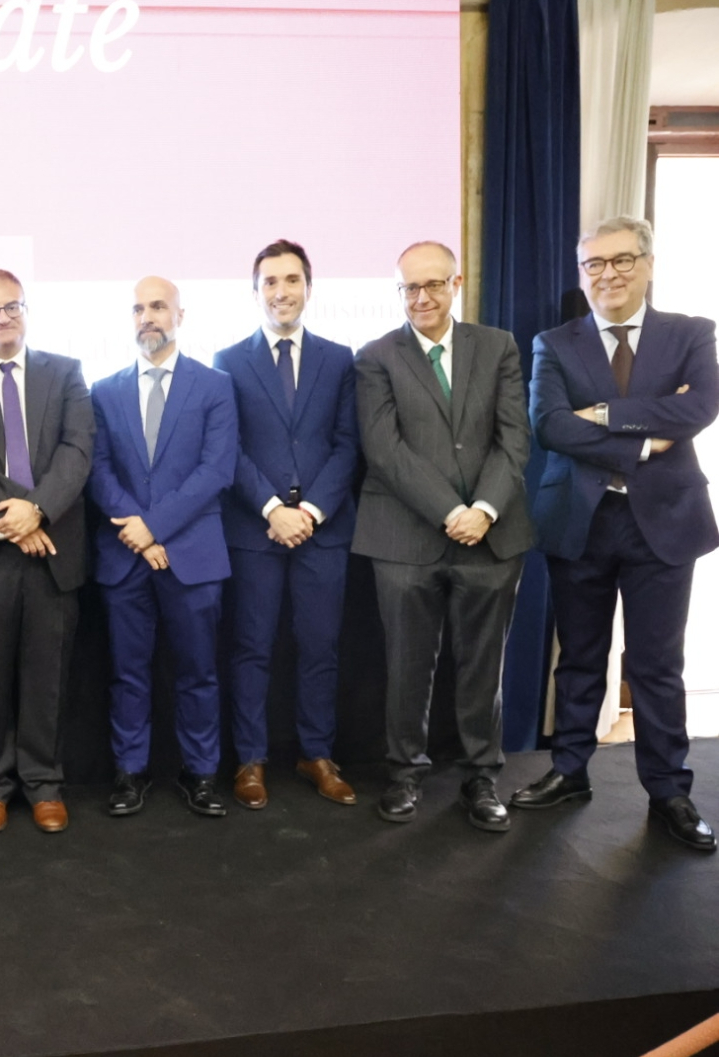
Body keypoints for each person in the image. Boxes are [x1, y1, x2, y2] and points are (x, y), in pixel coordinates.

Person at [515, 216, 719, 852]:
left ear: (649, 263)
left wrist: (605, 414)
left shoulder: (690, 334)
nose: (608, 274)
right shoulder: (556, 341)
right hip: (581, 519)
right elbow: (549, 426)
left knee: (658, 665)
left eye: (622, 260)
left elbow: (701, 405)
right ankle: (570, 771)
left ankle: (669, 792)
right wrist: (645, 443)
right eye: (594, 264)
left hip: (665, 522)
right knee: (578, 658)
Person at [352, 242, 533, 832]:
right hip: (405, 537)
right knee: (407, 664)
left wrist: (482, 508)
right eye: (410, 288)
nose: (421, 297)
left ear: (457, 283)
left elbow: (514, 440)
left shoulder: (498, 345)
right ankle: (405, 772)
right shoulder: (375, 357)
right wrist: (450, 510)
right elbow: (384, 451)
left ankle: (482, 776)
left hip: (491, 535)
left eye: (433, 285)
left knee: (484, 665)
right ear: (399, 291)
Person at [0, 268, 94, 834]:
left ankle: (44, 784)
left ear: (27, 310)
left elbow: (78, 451)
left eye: (12, 307)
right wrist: (16, 516)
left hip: (53, 548)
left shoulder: (67, 372)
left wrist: (39, 509)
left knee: (47, 675)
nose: (2, 318)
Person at [212, 241, 359, 810]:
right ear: (256, 292)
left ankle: (316, 753)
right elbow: (231, 450)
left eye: (291, 280)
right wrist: (273, 509)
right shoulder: (228, 361)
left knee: (320, 647)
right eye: (270, 282)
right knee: (252, 648)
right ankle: (251, 760)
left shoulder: (339, 358)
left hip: (324, 529)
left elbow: (348, 447)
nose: (282, 291)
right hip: (256, 530)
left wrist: (312, 512)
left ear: (308, 288)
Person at [88, 276, 238, 818]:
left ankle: (200, 774)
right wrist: (138, 531)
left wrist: (154, 528)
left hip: (192, 556)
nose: (147, 316)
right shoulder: (103, 391)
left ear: (180, 314)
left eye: (157, 306)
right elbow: (98, 470)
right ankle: (131, 772)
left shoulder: (215, 386)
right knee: (128, 672)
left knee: (198, 672)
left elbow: (216, 470)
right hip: (124, 557)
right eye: (137, 308)